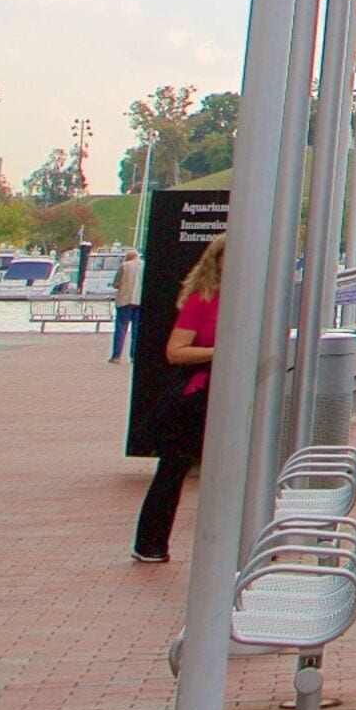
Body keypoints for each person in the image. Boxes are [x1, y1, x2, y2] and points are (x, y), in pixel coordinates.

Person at [130, 237, 223, 564]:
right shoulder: (202, 300)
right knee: (173, 467)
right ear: (217, 260)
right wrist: (220, 351)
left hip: (233, 397)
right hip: (197, 397)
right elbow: (175, 351)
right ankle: (150, 543)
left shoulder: (250, 300)